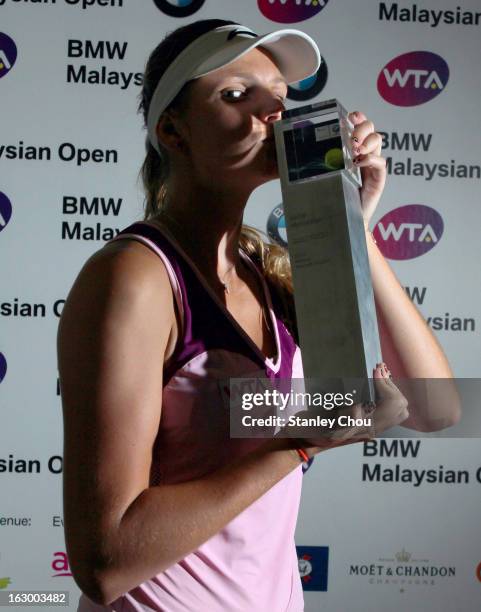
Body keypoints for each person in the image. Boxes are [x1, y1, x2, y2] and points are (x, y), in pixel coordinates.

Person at [57, 19, 460, 612]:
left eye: (278, 96)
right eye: (235, 94)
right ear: (173, 129)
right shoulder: (135, 277)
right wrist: (299, 445)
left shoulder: (265, 270)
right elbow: (105, 561)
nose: (271, 112)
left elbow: (434, 406)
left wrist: (352, 227)